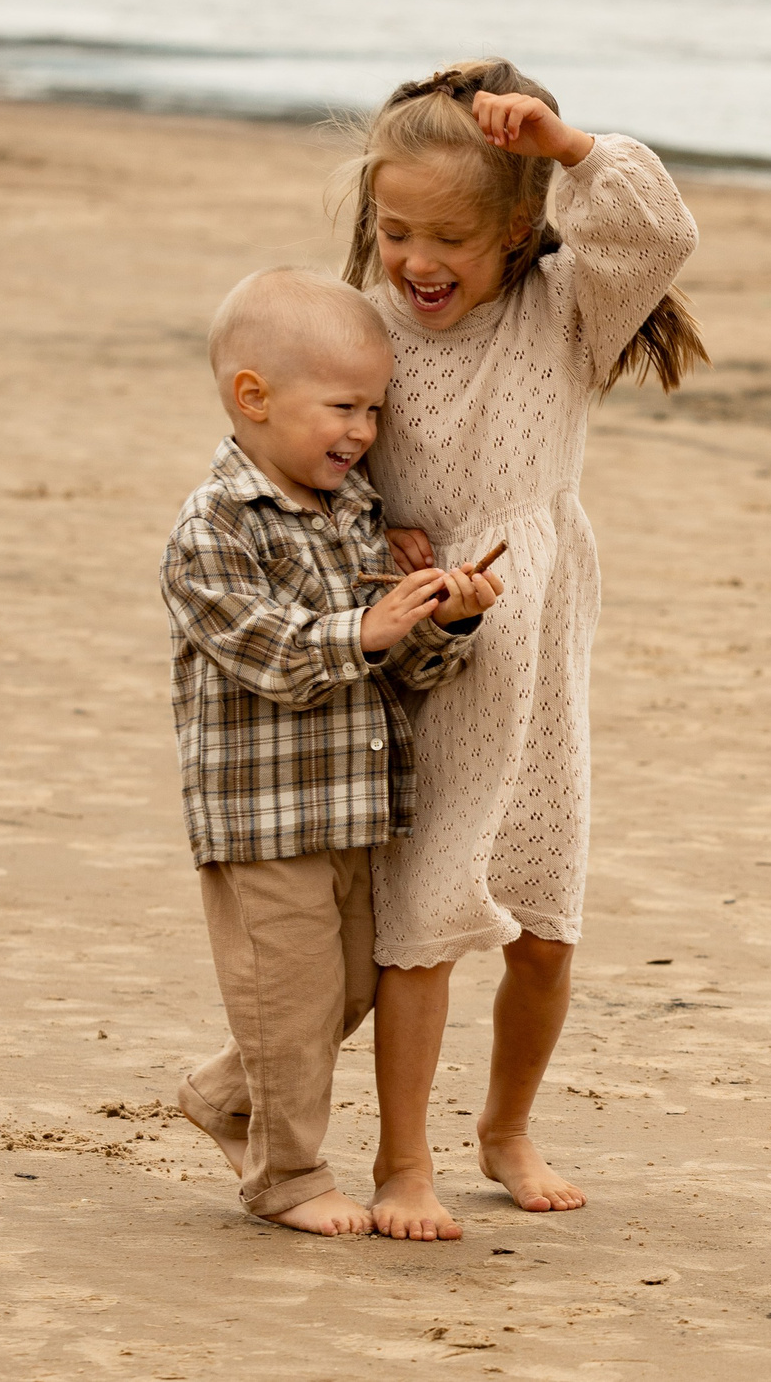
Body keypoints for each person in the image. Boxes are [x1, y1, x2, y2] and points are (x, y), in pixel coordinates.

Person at [338, 59, 703, 1242]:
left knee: (544, 921)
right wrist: (369, 525)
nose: (418, 261)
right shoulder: (365, 329)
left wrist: (565, 145)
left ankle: (506, 1126)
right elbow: (293, 449)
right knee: (425, 916)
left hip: (537, 645)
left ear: (516, 233)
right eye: (397, 231)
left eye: (450, 235)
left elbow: (658, 228)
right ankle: (404, 1162)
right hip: (424, 647)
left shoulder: (566, 315)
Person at [161, 265, 506, 1235]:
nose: (363, 432)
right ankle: (286, 1175)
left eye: (375, 410)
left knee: (346, 988)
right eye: (344, 407)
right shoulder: (215, 526)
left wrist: (444, 622)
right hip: (263, 816)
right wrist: (367, 628)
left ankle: (230, 1094)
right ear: (254, 397)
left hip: (354, 806)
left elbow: (401, 670)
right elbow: (267, 653)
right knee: (292, 993)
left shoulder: (353, 512)